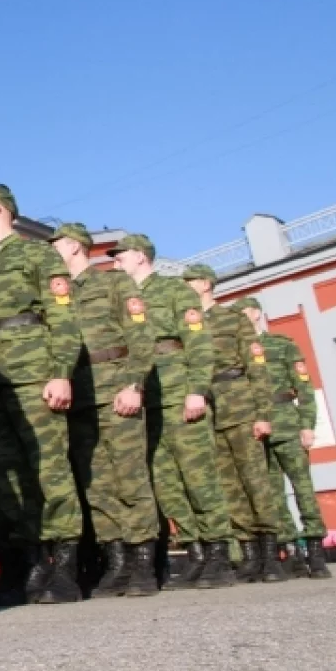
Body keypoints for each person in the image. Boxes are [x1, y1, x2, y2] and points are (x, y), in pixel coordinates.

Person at [0, 186, 83, 605]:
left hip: (32, 374)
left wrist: (60, 373)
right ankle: (31, 568)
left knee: (49, 469)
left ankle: (64, 569)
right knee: (9, 479)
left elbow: (63, 316)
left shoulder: (37, 255)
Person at [110, 236, 233, 590]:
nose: (115, 264)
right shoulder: (120, 298)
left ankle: (219, 553)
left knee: (199, 477)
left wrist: (197, 390)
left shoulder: (175, 291)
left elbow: (199, 343)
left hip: (179, 392)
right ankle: (195, 551)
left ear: (140, 256)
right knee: (166, 484)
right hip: (146, 401)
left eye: (120, 257)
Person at [50, 223, 159, 598]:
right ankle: (117, 561)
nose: (50, 253)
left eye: (55, 245)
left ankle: (143, 561)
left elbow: (141, 336)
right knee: (96, 484)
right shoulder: (56, 293)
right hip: (79, 398)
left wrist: (134, 385)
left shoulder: (114, 283)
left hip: (116, 388)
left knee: (130, 477)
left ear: (74, 247)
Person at [183, 266, 286, 584]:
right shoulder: (184, 322)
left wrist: (263, 414)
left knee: (255, 481)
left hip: (240, 406)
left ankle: (271, 554)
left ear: (205, 284)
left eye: (189, 282)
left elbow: (257, 369)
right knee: (227, 486)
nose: (185, 287)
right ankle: (248, 553)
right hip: (207, 412)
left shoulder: (233, 319)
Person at [231, 298, 330, 579]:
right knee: (272, 494)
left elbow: (304, 387)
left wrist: (307, 425)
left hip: (287, 422)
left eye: (244, 313)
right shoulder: (236, 351)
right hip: (257, 428)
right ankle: (291, 550)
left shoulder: (281, 344)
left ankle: (316, 551)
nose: (240, 318)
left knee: (303, 488)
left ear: (256, 313)